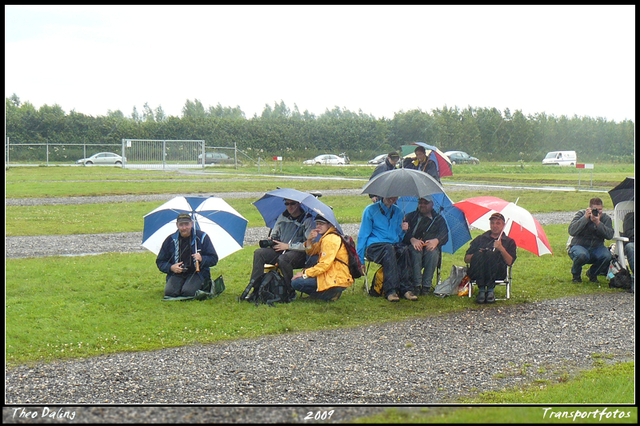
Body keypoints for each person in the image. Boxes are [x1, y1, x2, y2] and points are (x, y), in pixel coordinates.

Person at [248, 198, 315, 291]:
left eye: (292, 203)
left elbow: (309, 245)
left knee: (283, 259)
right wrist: (272, 240)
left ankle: (289, 290)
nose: (289, 206)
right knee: (259, 253)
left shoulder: (308, 220)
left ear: (299, 204)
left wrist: (288, 246)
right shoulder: (282, 217)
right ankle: (256, 288)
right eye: (287, 204)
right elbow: (274, 234)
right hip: (281, 250)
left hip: (299, 253)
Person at [357, 195, 415, 302]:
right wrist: (359, 259)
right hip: (374, 246)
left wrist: (403, 230)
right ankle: (391, 290)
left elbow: (398, 237)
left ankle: (406, 289)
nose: (393, 199)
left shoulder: (398, 212)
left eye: (395, 196)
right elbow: (362, 235)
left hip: (392, 245)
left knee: (404, 249)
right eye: (390, 196)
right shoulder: (370, 210)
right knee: (389, 249)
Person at [291, 215, 353, 301]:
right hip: (332, 274)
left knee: (296, 283)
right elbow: (311, 252)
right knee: (311, 258)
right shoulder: (326, 237)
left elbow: (324, 265)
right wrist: (309, 240)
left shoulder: (330, 239)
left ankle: (327, 295)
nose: (318, 226)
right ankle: (327, 293)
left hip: (335, 277)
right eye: (317, 224)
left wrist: (304, 273)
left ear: (329, 225)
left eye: (321, 224)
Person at [156, 213, 218, 298]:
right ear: (177, 225)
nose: (184, 228)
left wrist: (201, 259)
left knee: (188, 292)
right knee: (170, 293)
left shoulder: (202, 237)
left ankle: (204, 285)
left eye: (187, 224)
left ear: (192, 224)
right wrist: (171, 268)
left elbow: (214, 259)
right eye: (181, 225)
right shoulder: (170, 240)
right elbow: (160, 261)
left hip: (197, 273)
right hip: (177, 273)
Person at [464, 212, 517, 304]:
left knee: (491, 255)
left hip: (497, 272)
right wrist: (478, 254)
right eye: (492, 223)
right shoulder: (480, 239)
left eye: (498, 223)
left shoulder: (509, 242)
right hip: (478, 271)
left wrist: (501, 249)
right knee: (482, 255)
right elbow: (466, 259)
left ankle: (490, 290)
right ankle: (482, 290)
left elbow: (509, 262)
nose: (494, 225)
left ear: (503, 225)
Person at [402, 196, 449, 296]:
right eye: (420, 202)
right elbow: (402, 236)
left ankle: (426, 287)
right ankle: (416, 286)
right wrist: (412, 239)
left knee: (432, 253)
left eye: (425, 203)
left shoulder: (439, 219)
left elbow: (445, 235)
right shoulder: (410, 217)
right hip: (413, 248)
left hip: (430, 249)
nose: (422, 205)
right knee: (416, 251)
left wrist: (437, 240)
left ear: (432, 204)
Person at [567, 197, 614, 283]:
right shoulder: (581, 214)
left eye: (600, 210)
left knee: (607, 256)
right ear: (589, 209)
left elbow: (610, 235)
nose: (598, 212)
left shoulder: (605, 218)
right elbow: (571, 231)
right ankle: (576, 276)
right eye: (595, 209)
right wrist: (585, 218)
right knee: (582, 255)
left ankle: (592, 274)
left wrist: (598, 223)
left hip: (597, 247)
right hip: (579, 245)